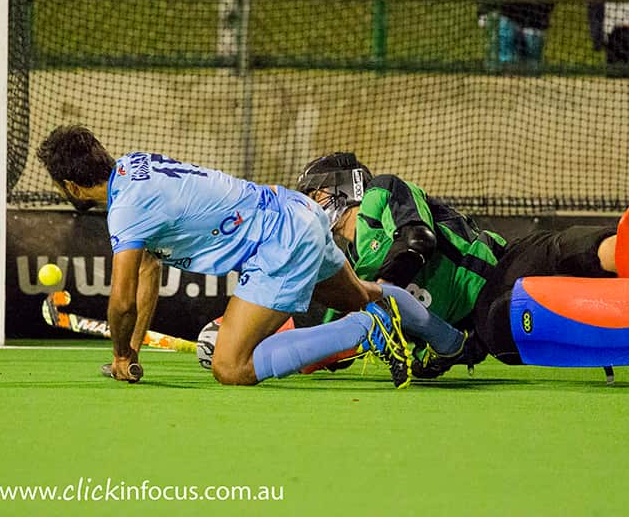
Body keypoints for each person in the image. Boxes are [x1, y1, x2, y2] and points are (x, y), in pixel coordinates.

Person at [34, 125, 460, 389]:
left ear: (71, 186)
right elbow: (147, 270)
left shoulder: (126, 211)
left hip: (277, 244)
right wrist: (130, 354)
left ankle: (368, 332)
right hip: (297, 212)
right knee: (363, 294)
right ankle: (451, 342)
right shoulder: (133, 167)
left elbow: (122, 299)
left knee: (231, 367)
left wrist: (120, 356)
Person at [295, 153, 629, 388]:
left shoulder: (381, 194)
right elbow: (328, 346)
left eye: (315, 196)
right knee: (508, 318)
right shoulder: (346, 270)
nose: (313, 208)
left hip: (504, 261)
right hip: (479, 325)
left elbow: (418, 241)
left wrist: (382, 296)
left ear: (339, 188)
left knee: (588, 247)